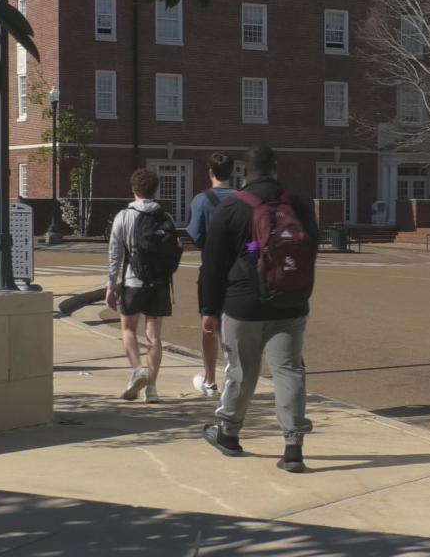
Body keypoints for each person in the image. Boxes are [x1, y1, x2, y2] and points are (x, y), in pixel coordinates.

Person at [200, 145, 319, 473]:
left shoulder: (231, 208)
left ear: (244, 171)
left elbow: (212, 265)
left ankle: (228, 434)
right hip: (292, 302)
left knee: (241, 370)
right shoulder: (299, 204)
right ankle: (293, 446)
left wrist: (208, 309)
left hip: (243, 303)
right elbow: (311, 251)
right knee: (289, 370)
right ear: (275, 168)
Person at [107, 169, 183, 404]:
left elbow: (115, 253)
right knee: (154, 337)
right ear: (155, 189)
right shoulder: (166, 217)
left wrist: (111, 285)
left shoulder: (124, 216)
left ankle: (137, 368)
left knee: (128, 330)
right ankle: (152, 389)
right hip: (160, 282)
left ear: (133, 189)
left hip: (134, 280)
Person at [188, 151, 238, 397]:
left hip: (210, 270)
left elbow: (196, 237)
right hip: (240, 272)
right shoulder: (245, 199)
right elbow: (254, 240)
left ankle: (210, 380)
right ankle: (235, 378)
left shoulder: (201, 200)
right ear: (233, 172)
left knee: (209, 326)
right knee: (237, 328)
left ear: (210, 173)